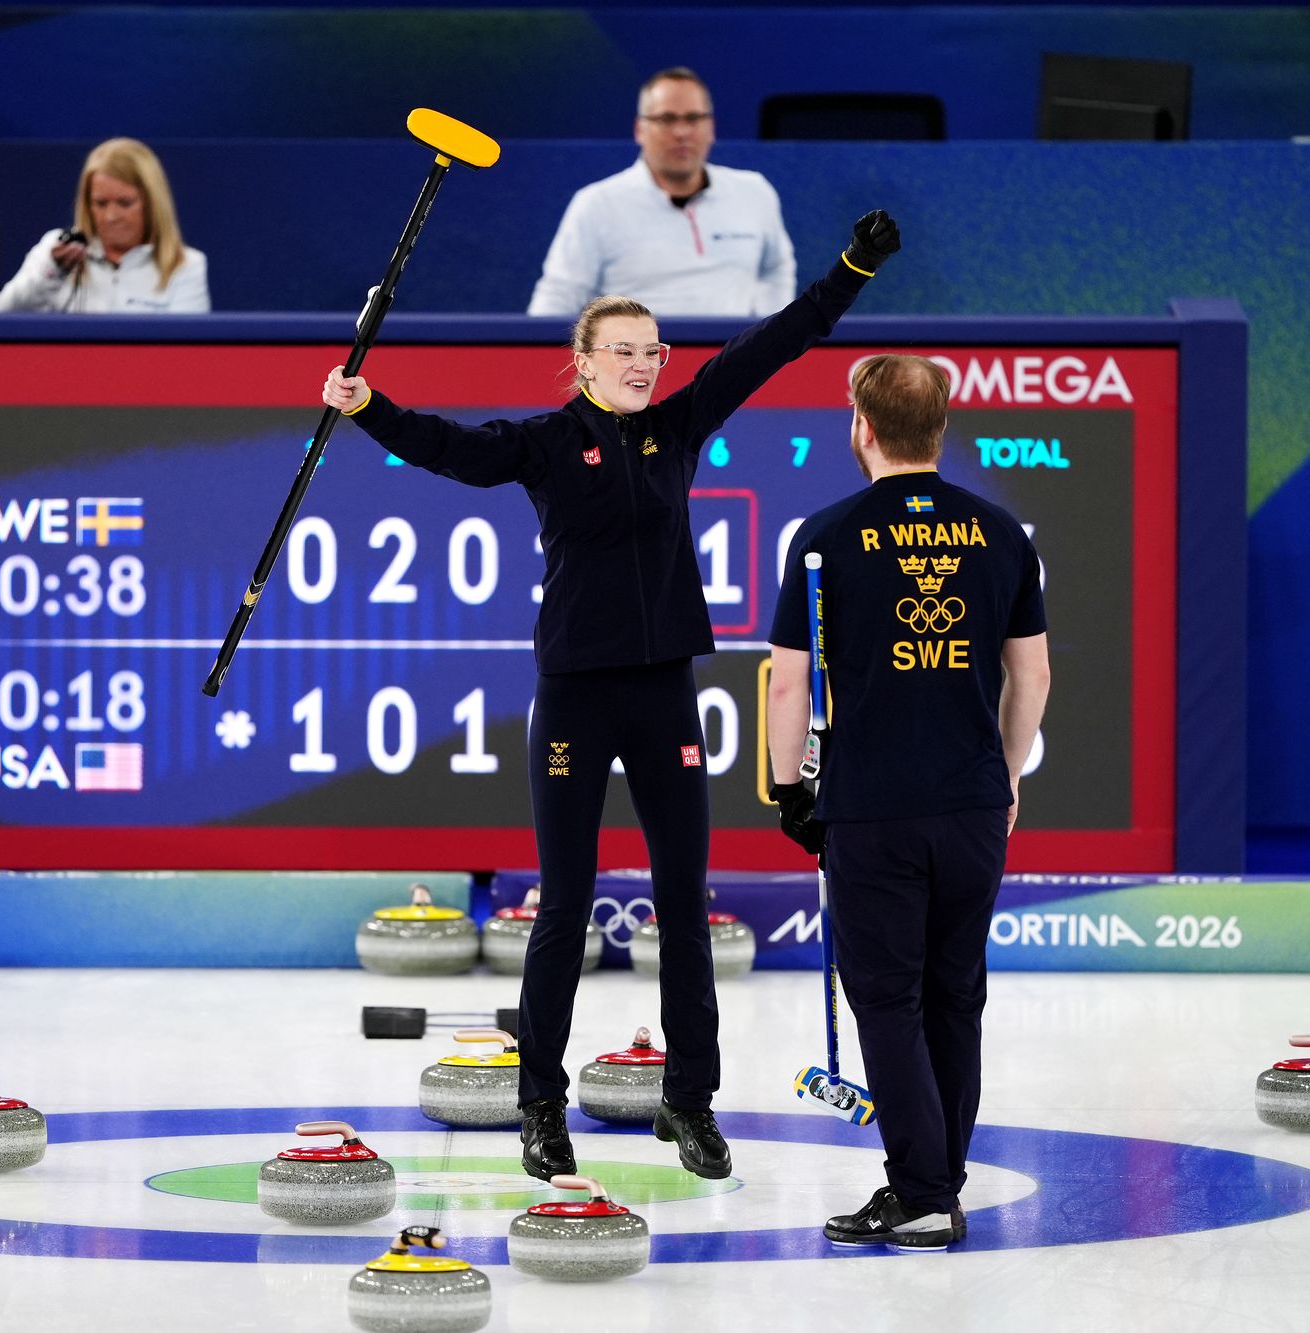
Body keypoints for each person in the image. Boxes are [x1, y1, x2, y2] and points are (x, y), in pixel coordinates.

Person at [324, 211, 903, 1183]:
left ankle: (690, 1101)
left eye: (652, 350)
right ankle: (539, 1107)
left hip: (664, 691)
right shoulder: (549, 442)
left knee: (683, 898)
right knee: (566, 903)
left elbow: (775, 343)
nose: (642, 364)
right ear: (582, 358)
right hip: (576, 697)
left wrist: (848, 269)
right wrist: (367, 405)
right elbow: (452, 451)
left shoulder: (678, 424)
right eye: (622, 351)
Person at [764, 354, 1049, 1250]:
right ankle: (939, 1179)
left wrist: (789, 790)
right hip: (970, 803)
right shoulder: (1002, 534)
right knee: (954, 995)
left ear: (862, 427)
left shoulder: (824, 537)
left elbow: (786, 688)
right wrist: (1006, 775)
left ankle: (923, 1190)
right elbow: (1030, 672)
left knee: (886, 999)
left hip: (873, 806)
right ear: (941, 429)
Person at [527, 68, 795, 319]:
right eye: (666, 119)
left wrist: (771, 337)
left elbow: (776, 267)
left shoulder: (754, 192)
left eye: (693, 118)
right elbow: (559, 297)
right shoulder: (597, 204)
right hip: (634, 363)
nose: (681, 132)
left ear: (710, 127)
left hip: (736, 362)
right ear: (639, 129)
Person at [0, 137, 210, 312]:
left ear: (152, 203)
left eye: (125, 203)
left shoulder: (185, 265)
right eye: (100, 203)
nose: (110, 216)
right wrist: (52, 272)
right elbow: (3, 316)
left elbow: (188, 352)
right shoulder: (57, 250)